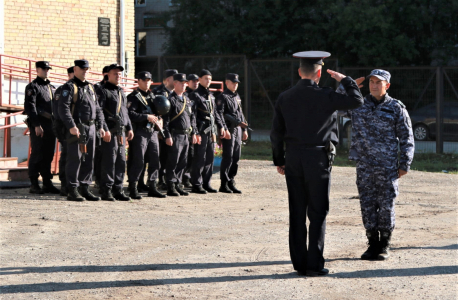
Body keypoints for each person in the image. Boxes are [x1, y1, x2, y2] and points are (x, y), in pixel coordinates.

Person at [270, 51, 364, 276]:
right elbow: (357, 100)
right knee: (318, 212)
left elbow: (276, 134)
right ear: (319, 73)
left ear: (299, 72)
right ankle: (314, 265)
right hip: (318, 158)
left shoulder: (285, 97)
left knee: (297, 211)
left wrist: (279, 160)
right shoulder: (326, 95)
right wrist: (345, 80)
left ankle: (300, 263)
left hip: (293, 157)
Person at [340, 69, 414, 260]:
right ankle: (372, 243)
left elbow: (407, 137)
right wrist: (345, 87)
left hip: (387, 167)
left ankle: (384, 245)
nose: (374, 85)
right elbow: (335, 106)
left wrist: (404, 163)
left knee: (386, 205)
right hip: (364, 165)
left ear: (387, 86)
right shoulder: (358, 104)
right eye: (371, 82)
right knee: (367, 205)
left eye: (378, 82)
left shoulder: (396, 108)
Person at [58, 59, 107, 201]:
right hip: (77, 128)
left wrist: (101, 126)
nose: (85, 71)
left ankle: (84, 187)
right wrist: (71, 126)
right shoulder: (69, 87)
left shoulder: (91, 87)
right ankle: (72, 189)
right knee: (75, 159)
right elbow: (63, 109)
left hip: (91, 127)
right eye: (82, 68)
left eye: (87, 68)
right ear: (75, 69)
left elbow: (98, 109)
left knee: (89, 158)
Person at [97, 63, 134, 201]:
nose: (118, 76)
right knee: (109, 161)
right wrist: (104, 129)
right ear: (108, 74)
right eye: (115, 73)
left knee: (121, 161)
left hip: (121, 132)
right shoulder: (102, 90)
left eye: (119, 74)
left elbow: (125, 111)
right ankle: (106, 190)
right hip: (110, 132)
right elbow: (99, 111)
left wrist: (129, 127)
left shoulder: (121, 91)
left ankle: (118, 189)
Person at [126, 71, 166, 199]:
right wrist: (146, 117)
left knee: (155, 159)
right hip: (140, 132)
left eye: (149, 80)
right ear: (138, 81)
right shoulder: (133, 97)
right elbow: (130, 114)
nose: (147, 82)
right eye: (144, 80)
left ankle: (152, 186)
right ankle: (133, 186)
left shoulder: (153, 96)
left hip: (152, 132)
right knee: (138, 160)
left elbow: (158, 111)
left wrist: (159, 118)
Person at [23, 61, 60, 194]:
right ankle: (34, 183)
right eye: (44, 69)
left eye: (48, 69)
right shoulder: (33, 87)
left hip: (51, 125)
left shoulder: (51, 87)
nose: (46, 71)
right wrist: (37, 125)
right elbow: (30, 107)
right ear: (37, 70)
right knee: (37, 153)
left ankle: (47, 182)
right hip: (39, 124)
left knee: (48, 154)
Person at [189, 69, 226, 194]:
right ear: (199, 79)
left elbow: (215, 113)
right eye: (206, 78)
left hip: (211, 130)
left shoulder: (210, 95)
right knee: (200, 157)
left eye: (210, 79)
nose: (208, 81)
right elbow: (192, 115)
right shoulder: (195, 95)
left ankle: (207, 183)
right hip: (201, 130)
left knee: (210, 157)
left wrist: (221, 126)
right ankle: (196, 184)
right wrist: (195, 131)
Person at [163, 73, 197, 196]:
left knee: (183, 161)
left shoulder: (187, 99)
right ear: (175, 83)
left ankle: (178, 183)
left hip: (186, 135)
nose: (183, 85)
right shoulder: (170, 100)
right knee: (173, 161)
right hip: (175, 135)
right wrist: (167, 135)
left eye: (185, 83)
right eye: (181, 83)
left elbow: (192, 118)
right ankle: (171, 185)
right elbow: (165, 120)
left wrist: (194, 132)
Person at [216, 73, 249, 193]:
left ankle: (231, 181)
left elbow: (240, 113)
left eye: (236, 83)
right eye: (233, 82)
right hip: (229, 129)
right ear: (227, 83)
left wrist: (244, 129)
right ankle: (223, 183)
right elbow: (219, 114)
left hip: (238, 129)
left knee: (236, 157)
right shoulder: (222, 97)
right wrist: (223, 128)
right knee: (228, 156)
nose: (235, 85)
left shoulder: (236, 96)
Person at [152, 69, 178, 190]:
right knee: (160, 155)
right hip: (160, 129)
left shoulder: (176, 94)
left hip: (173, 130)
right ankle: (159, 179)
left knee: (170, 156)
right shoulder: (158, 92)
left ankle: (170, 179)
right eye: (175, 78)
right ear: (168, 79)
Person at [51, 66, 75, 196]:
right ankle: (65, 185)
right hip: (64, 128)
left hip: (76, 128)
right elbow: (58, 112)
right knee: (66, 156)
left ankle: (73, 184)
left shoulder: (80, 88)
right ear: (70, 74)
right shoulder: (62, 89)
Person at [93, 65, 110, 190]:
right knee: (99, 155)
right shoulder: (97, 88)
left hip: (111, 127)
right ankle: (98, 179)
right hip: (99, 126)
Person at [182, 73, 199, 188]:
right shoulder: (185, 95)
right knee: (188, 154)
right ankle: (185, 177)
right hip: (187, 128)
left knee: (195, 155)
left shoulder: (200, 94)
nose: (195, 83)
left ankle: (193, 177)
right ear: (188, 83)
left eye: (197, 81)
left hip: (198, 128)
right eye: (193, 81)